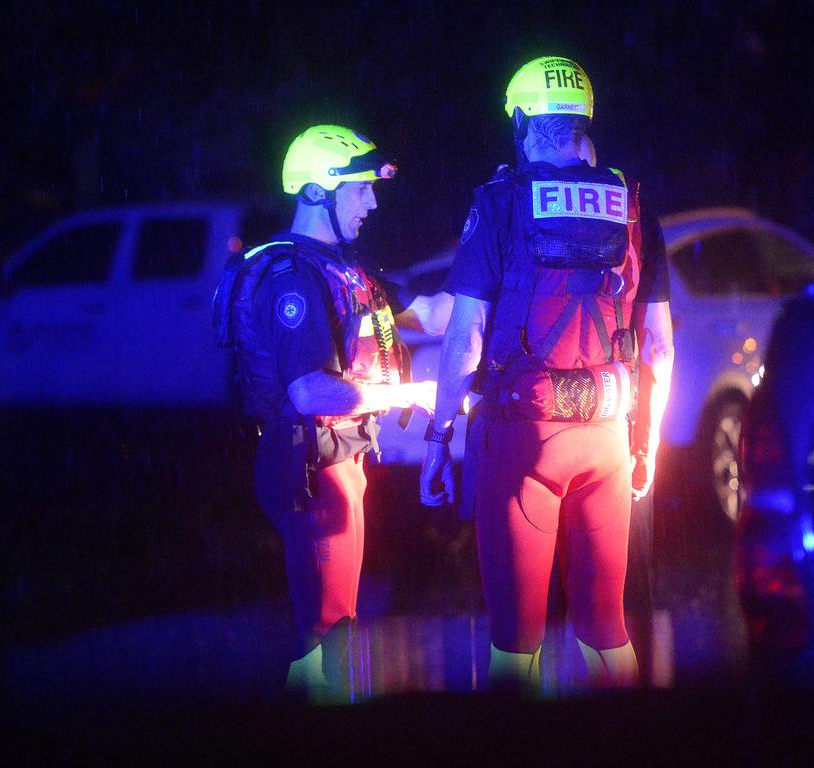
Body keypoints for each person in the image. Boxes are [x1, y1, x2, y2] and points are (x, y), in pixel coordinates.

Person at [419, 56, 674, 693]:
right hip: (610, 440)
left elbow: (464, 338)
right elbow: (661, 347)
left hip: (523, 440)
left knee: (516, 640)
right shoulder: (632, 203)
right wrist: (649, 445)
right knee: (607, 629)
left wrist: (438, 437)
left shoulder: (502, 201)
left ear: (526, 120)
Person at [215, 124, 446, 701]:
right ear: (319, 190)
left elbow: (438, 315)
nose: (372, 201)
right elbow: (309, 394)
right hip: (308, 468)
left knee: (333, 632)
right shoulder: (293, 277)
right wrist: (411, 396)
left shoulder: (348, 271)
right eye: (361, 188)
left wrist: (501, 256)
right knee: (326, 638)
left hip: (337, 464)